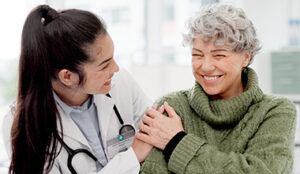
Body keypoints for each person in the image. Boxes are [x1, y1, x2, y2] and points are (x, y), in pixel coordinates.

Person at [137, 4, 297, 174]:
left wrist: (176, 142)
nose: (205, 67)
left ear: (246, 57)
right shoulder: (172, 107)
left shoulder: (276, 111)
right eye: (197, 55)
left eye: (219, 55)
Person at [2, 4, 154, 174]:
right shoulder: (22, 122)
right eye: (104, 65)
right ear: (67, 77)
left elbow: (154, 133)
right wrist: (132, 157)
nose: (115, 68)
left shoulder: (120, 83)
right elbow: (141, 149)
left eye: (113, 58)